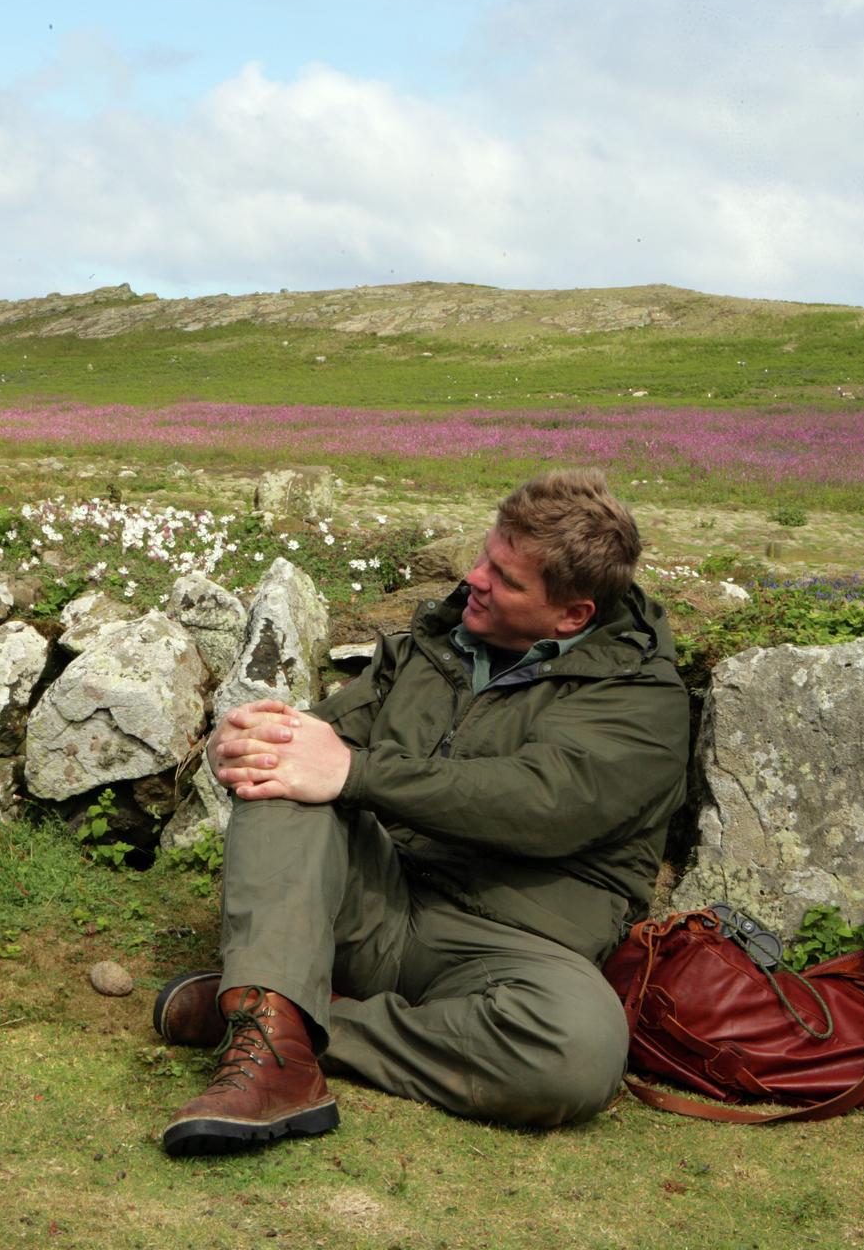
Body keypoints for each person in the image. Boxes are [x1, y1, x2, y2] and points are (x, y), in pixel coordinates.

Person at [153, 469, 689, 1154]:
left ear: (573, 615)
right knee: (281, 772)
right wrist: (256, 738)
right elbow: (324, 742)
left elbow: (542, 802)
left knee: (579, 1052)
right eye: (485, 556)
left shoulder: (643, 700)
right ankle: (274, 1046)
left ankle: (294, 1020)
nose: (476, 579)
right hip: (379, 903)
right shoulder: (440, 640)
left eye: (505, 577)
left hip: (513, 948)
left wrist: (355, 772)